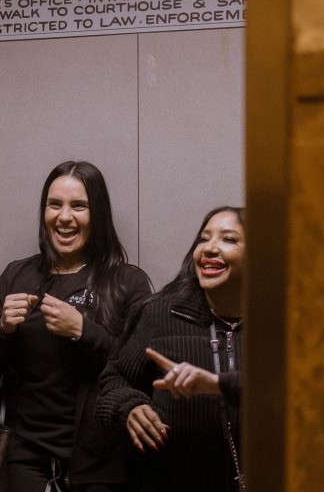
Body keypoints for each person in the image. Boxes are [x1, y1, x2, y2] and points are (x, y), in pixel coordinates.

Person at [0, 161, 152, 492]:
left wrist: (84, 330)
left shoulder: (128, 281)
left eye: (78, 206)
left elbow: (142, 368)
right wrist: (2, 328)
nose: (64, 217)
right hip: (25, 456)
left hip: (103, 461)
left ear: (97, 213)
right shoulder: (17, 275)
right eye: (55, 204)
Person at [95, 206, 246, 492]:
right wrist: (130, 406)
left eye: (228, 239)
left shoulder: (281, 326)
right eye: (204, 238)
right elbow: (112, 381)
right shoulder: (161, 313)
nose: (210, 247)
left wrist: (216, 384)